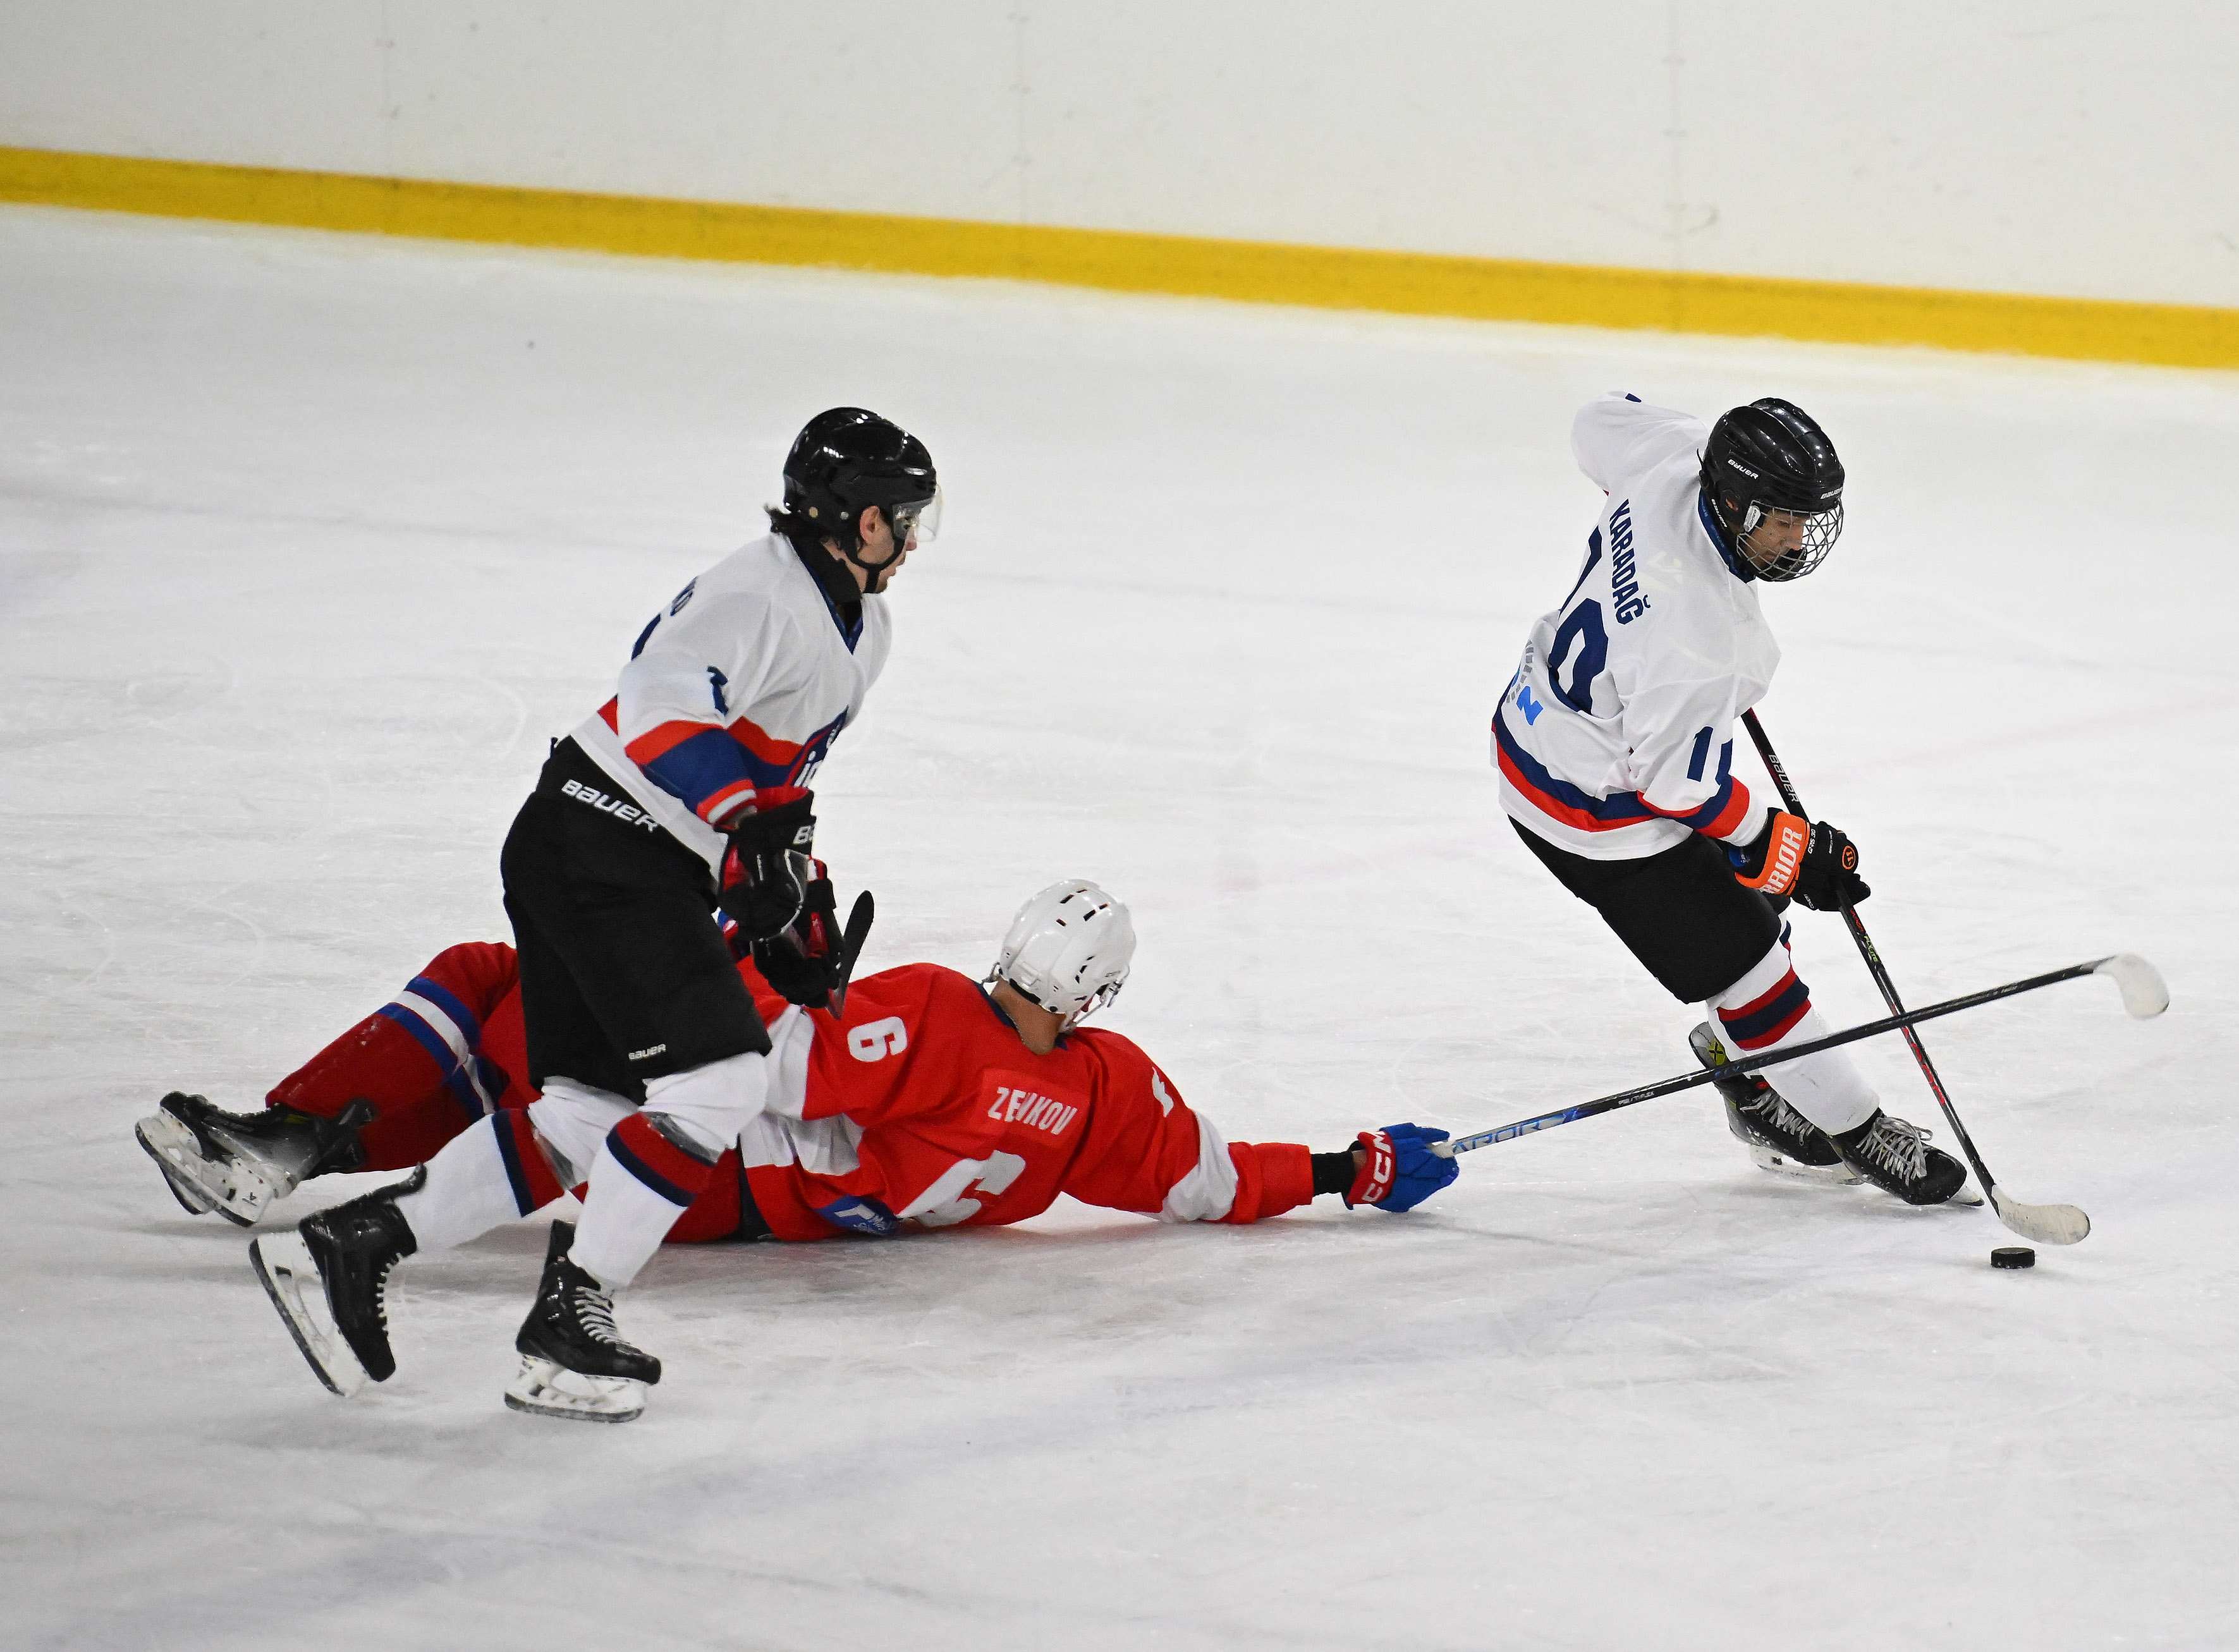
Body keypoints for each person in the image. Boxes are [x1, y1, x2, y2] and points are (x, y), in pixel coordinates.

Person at [217, 880, 1455, 1421]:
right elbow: (1209, 1181)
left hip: (703, 1169)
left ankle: (303, 1149)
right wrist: (1347, 1168)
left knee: (510, 1000)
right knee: (526, 1049)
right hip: (758, 1215)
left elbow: (757, 1065)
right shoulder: (1101, 1095)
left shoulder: (938, 1013)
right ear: (1099, 996)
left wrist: (752, 958)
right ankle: (315, 1160)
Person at [1490, 392, 1967, 1206]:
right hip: (1590, 811)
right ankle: (1858, 1133)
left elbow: (1597, 419)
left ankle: (1744, 1069)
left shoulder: (1674, 455)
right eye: (1783, 520)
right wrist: (1788, 847)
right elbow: (1676, 785)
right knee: (1750, 969)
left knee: (1756, 906)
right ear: (1735, 502)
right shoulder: (1703, 638)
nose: (1799, 540)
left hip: (1541, 725)